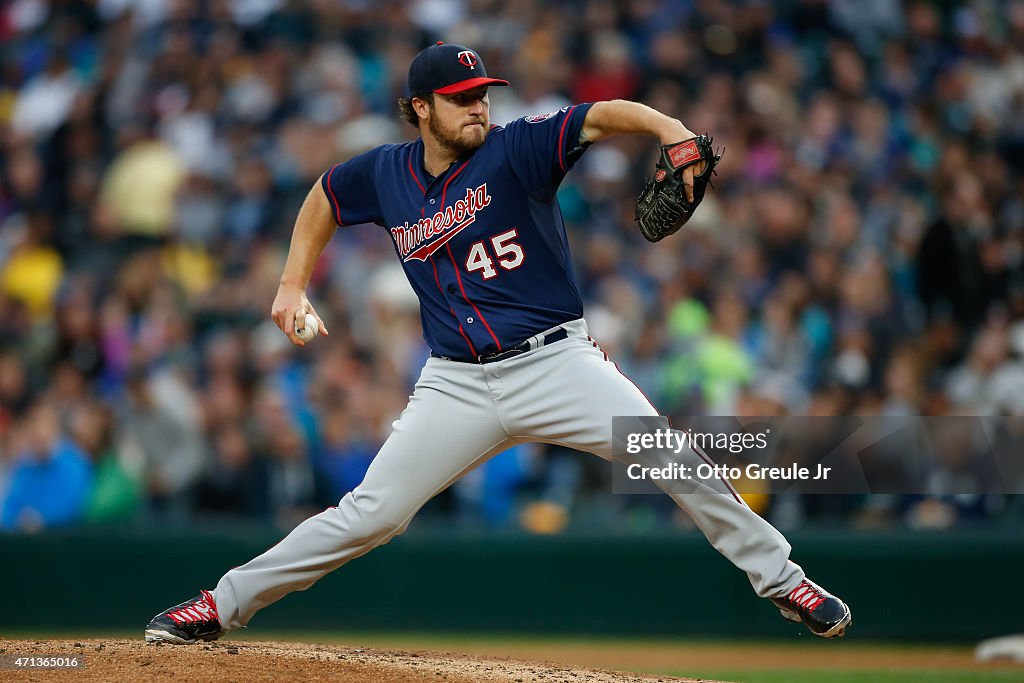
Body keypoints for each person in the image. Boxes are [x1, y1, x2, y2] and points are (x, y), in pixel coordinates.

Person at [145, 42, 851, 644]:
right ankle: (221, 604)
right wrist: (292, 283)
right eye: (460, 98)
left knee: (666, 452)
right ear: (420, 107)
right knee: (372, 513)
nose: (479, 107)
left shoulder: (518, 149)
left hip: (556, 361)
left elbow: (601, 116)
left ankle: (784, 580)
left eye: (482, 94)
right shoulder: (386, 174)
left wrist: (671, 129)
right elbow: (325, 196)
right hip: (455, 382)